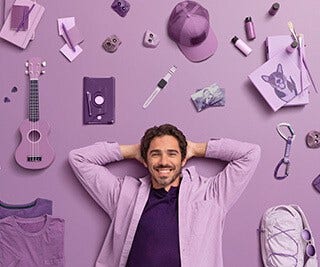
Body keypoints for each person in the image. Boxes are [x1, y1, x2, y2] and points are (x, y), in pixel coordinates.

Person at [68, 124, 261, 267]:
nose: (163, 161)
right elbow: (79, 159)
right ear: (145, 160)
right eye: (155, 154)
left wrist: (195, 148)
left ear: (183, 158)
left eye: (172, 153)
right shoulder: (123, 194)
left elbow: (250, 154)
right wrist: (133, 150)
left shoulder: (212, 194)